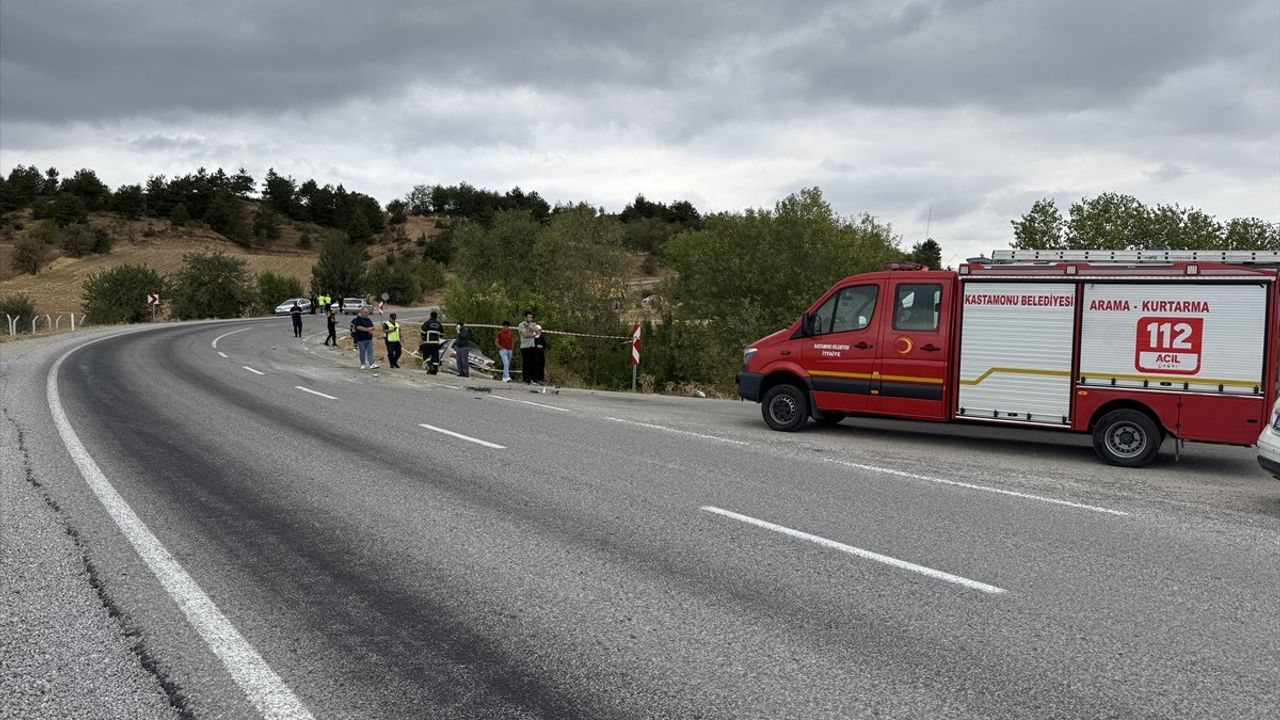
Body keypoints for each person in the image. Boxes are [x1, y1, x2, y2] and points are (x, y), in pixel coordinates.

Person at [517, 310, 541, 384]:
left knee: (535, 362)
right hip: (525, 346)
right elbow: (525, 335)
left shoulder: (532, 324)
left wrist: (532, 327)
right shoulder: (521, 325)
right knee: (526, 363)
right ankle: (525, 379)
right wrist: (533, 335)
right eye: (529, 317)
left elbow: (538, 331)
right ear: (525, 317)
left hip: (532, 346)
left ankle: (533, 379)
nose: (530, 319)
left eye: (531, 317)